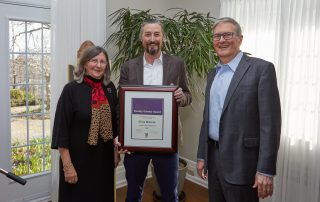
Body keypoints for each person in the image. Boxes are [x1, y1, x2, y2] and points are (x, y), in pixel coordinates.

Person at [196, 17, 281, 202]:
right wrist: (202, 155)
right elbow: (207, 119)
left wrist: (265, 170)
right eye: (217, 36)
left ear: (240, 39)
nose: (222, 40)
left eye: (228, 34)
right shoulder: (213, 74)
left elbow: (270, 125)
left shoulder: (261, 69)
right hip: (214, 158)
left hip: (243, 164)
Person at [119, 19, 192, 202]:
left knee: (169, 194)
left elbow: (188, 94)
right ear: (141, 38)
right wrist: (123, 136)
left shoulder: (177, 64)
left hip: (167, 141)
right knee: (133, 193)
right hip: (136, 141)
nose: (153, 38)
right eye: (148, 34)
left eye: (157, 34)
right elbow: (122, 103)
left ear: (163, 38)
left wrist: (181, 97)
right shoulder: (128, 66)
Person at [51, 46, 118, 201]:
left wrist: (115, 152)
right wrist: (68, 167)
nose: (99, 65)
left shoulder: (110, 88)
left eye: (103, 61)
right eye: (94, 60)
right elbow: (61, 131)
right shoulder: (71, 90)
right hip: (77, 162)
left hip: (104, 162)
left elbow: (114, 124)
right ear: (84, 64)